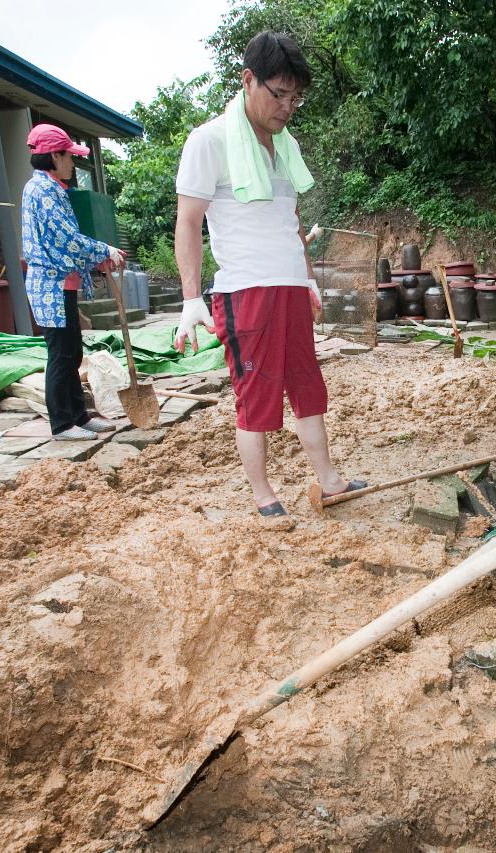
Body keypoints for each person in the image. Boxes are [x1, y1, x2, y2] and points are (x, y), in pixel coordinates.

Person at [174, 30, 363, 517]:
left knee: (307, 385)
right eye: (279, 94)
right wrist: (190, 299)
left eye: (296, 98)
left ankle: (329, 480)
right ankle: (263, 495)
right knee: (256, 396)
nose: (287, 107)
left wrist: (307, 278)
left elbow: (291, 222)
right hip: (245, 293)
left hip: (290, 288)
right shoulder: (209, 141)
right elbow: (189, 222)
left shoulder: (287, 146)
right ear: (248, 80)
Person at [21, 123, 125, 440]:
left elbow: (65, 244)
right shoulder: (43, 191)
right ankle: (62, 424)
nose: (72, 163)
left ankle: (78, 416)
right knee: (61, 355)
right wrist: (104, 250)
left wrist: (97, 259)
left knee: (72, 353)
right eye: (69, 157)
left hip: (61, 285)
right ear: (54, 155)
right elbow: (68, 240)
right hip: (50, 287)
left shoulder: (51, 188)